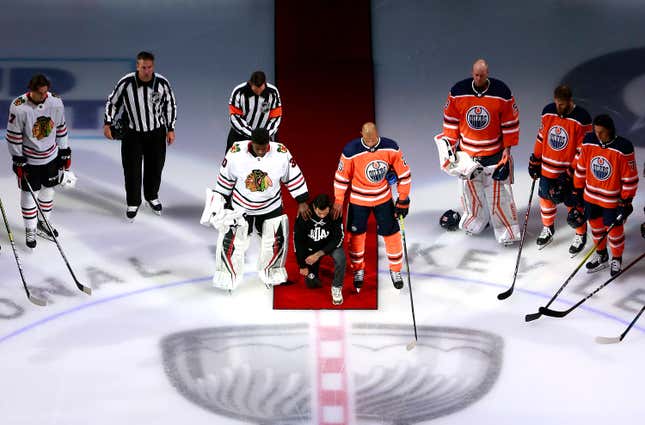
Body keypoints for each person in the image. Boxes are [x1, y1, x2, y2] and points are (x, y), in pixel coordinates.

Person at [200, 128, 310, 290]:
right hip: (240, 206)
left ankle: (272, 270)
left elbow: (293, 175)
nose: (260, 151)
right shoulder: (236, 152)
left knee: (275, 240)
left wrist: (301, 200)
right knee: (232, 241)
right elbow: (225, 180)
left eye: (264, 148)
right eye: (257, 147)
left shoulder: (281, 153)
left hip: (270, 205)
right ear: (251, 143)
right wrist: (218, 203)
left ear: (268, 144)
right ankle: (227, 274)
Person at [438, 58, 520, 245]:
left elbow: (510, 122)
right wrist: (450, 148)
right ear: (472, 73)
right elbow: (450, 121)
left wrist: (507, 149)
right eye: (476, 74)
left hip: (495, 153)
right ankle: (476, 219)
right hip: (468, 154)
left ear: (487, 73)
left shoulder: (502, 92)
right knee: (470, 192)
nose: (479, 78)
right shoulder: (458, 91)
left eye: (482, 75)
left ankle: (506, 230)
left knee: (499, 195)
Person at [332, 122, 411, 292]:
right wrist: (339, 200)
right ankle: (358, 270)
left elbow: (404, 174)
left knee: (393, 235)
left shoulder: (391, 147)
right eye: (367, 139)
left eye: (373, 139)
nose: (370, 143)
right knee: (356, 237)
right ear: (361, 133)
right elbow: (341, 177)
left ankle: (395, 270)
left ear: (377, 134)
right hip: (358, 200)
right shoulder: (350, 150)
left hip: (383, 198)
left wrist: (403, 199)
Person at [103, 51, 177, 221]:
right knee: (131, 169)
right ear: (137, 66)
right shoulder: (127, 82)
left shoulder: (162, 83)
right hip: (132, 133)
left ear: (153, 66)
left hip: (156, 132)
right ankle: (133, 202)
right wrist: (108, 122)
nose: (146, 71)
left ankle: (151, 196)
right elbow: (113, 102)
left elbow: (170, 105)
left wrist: (170, 128)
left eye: (149, 67)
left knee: (155, 167)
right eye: (143, 67)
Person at [5, 74, 72, 248]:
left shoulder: (56, 102)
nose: (43, 96)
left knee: (49, 190)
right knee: (29, 194)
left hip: (51, 156)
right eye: (40, 93)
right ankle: (31, 228)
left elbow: (61, 128)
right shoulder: (19, 107)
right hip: (30, 160)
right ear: (31, 90)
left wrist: (65, 151)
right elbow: (13, 136)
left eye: (45, 92)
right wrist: (17, 158)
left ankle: (44, 222)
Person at [572, 114, 639, 276]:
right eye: (596, 131)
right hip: (591, 198)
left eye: (601, 132)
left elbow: (630, 178)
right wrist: (576, 190)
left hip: (611, 201)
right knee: (596, 228)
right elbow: (581, 168)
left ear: (610, 130)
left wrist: (626, 201)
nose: (598, 135)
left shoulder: (623, 147)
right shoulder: (589, 141)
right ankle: (602, 255)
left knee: (614, 232)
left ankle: (617, 258)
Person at [529, 85, 592, 254]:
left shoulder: (582, 118)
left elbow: (583, 150)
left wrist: (569, 173)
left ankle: (580, 234)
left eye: (563, 104)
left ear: (570, 101)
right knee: (545, 198)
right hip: (548, 168)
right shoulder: (548, 111)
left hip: (569, 172)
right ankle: (548, 228)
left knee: (574, 204)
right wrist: (535, 159)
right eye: (557, 103)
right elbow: (542, 137)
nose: (559, 108)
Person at [294, 194, 346, 305]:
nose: (322, 216)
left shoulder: (335, 212)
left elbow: (339, 237)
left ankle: (336, 287)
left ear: (329, 207)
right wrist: (302, 265)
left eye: (325, 213)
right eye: (319, 213)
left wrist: (319, 254)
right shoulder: (304, 213)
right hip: (311, 247)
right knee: (312, 284)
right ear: (313, 207)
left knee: (340, 257)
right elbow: (298, 241)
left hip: (329, 246)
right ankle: (314, 272)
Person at [226, 70, 282, 152]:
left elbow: (276, 117)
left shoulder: (273, 92)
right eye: (256, 90)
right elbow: (234, 117)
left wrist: (265, 134)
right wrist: (252, 134)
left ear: (264, 83)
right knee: (233, 162)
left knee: (265, 163)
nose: (259, 92)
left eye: (261, 89)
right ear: (251, 83)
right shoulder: (239, 92)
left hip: (263, 137)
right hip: (239, 135)